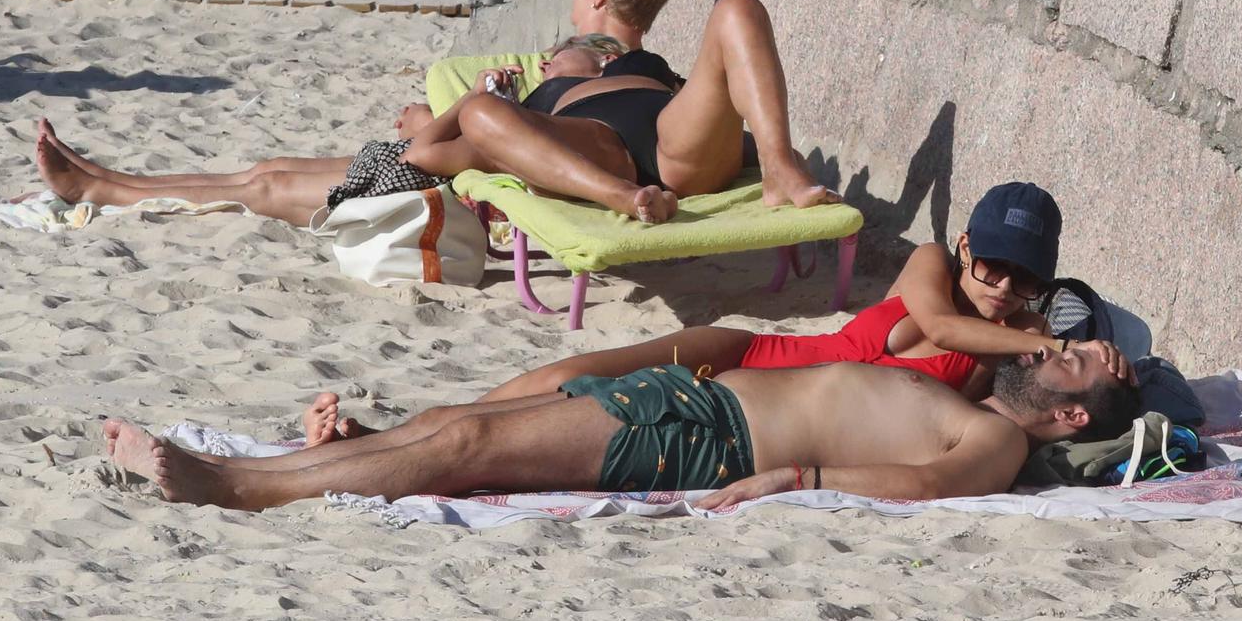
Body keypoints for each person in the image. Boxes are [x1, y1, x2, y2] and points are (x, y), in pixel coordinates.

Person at [35, 0, 839, 228]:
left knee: (738, 11)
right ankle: (108, 186)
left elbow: (428, 144)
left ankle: (777, 166)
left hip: (663, 144)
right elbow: (432, 154)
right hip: (592, 150)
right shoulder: (538, 83)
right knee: (268, 176)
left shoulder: (633, 65)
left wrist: (441, 118)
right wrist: (449, 119)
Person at [300, 181, 1136, 447]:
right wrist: (1045, 329)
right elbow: (947, 330)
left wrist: (1074, 346)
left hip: (775, 411)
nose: (999, 282)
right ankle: (394, 433)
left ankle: (393, 441)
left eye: (1022, 277)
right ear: (962, 244)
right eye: (989, 261)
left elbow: (1071, 407)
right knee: (565, 379)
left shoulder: (1028, 341)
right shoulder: (931, 270)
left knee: (579, 411)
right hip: (755, 352)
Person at [101, 343, 1142, 513]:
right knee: (456, 421)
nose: (1064, 347)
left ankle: (235, 488)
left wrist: (800, 477)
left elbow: (923, 491)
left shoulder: (1001, 442)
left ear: (1068, 414)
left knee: (466, 454)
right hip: (689, 401)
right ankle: (329, 457)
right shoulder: (970, 398)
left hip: (710, 445)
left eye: (1081, 361)